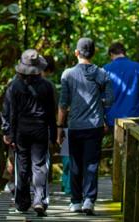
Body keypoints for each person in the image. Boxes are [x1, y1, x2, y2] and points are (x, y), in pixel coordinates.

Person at [57, 37, 113, 215]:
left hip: (75, 126)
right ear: (94, 53)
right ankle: (89, 200)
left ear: (76, 53)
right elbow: (109, 99)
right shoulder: (102, 74)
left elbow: (63, 104)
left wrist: (59, 127)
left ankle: (75, 201)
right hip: (95, 126)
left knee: (75, 164)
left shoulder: (67, 74)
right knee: (91, 164)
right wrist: (100, 107)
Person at [1, 49, 57, 216]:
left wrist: (8, 132)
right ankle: (39, 200)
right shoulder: (47, 86)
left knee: (22, 166)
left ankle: (22, 201)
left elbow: (8, 111)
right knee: (40, 166)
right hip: (40, 130)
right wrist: (53, 135)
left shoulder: (14, 86)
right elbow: (51, 113)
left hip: (21, 131)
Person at [104, 42, 139, 127]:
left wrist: (103, 116)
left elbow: (100, 95)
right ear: (124, 53)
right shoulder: (138, 67)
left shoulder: (106, 69)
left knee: (117, 140)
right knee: (132, 139)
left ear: (111, 54)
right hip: (134, 118)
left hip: (112, 119)